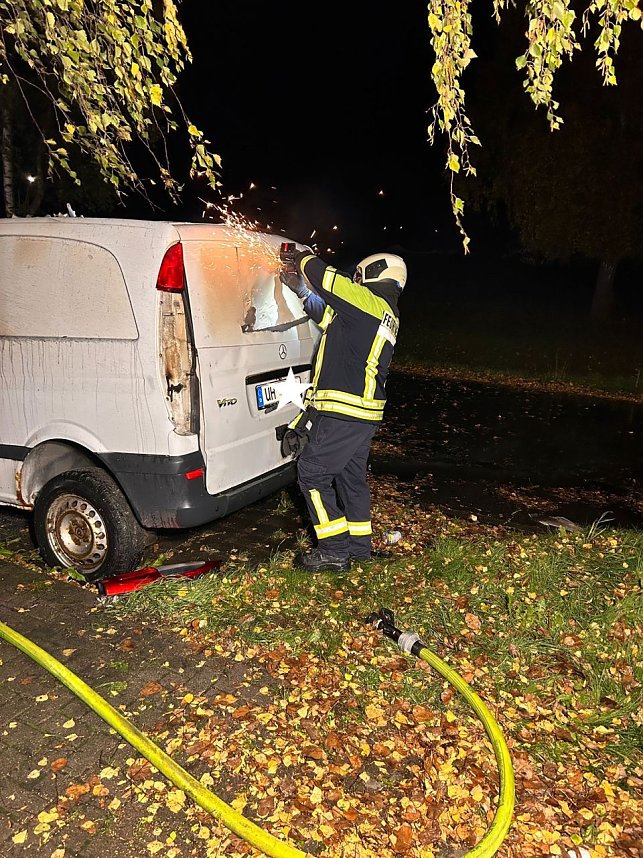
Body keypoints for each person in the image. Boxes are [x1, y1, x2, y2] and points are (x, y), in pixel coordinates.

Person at [280, 248, 406, 572]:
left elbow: (330, 281)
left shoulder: (367, 303)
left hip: (345, 411)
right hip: (362, 415)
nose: (355, 279)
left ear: (371, 274)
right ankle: (359, 551)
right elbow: (328, 317)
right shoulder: (379, 311)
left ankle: (334, 551)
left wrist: (302, 258)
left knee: (312, 472)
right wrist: (302, 291)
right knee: (351, 482)